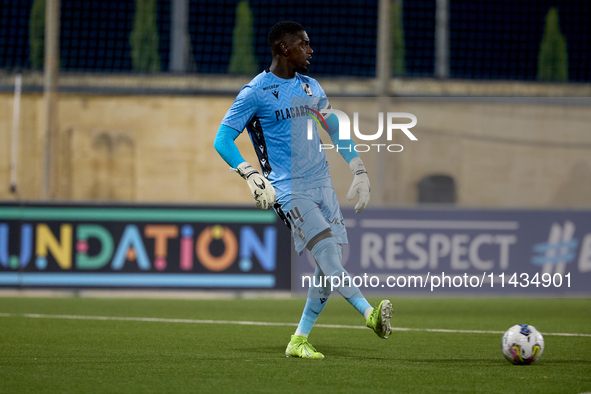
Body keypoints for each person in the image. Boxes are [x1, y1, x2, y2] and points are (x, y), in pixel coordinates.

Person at [214, 21, 392, 359]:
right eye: (304, 44)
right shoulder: (254, 92)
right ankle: (369, 314)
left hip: (322, 184)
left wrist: (358, 169)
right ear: (284, 48)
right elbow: (222, 140)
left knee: (332, 261)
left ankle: (299, 339)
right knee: (326, 253)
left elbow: (334, 127)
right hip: (287, 189)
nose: (310, 50)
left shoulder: (311, 87)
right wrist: (250, 174)